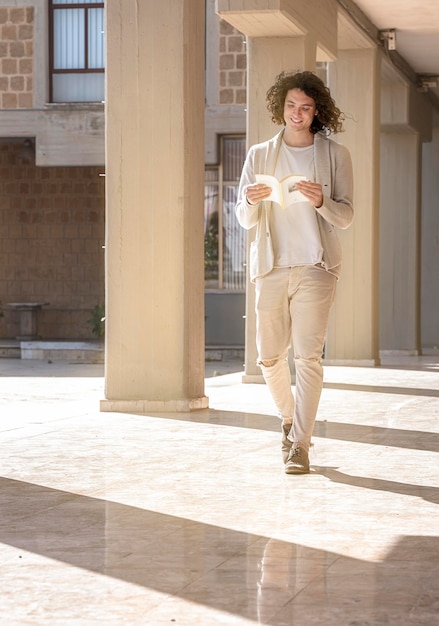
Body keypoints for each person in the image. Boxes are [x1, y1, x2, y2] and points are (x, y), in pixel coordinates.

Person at [235, 70, 354, 474]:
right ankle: (289, 419)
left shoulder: (335, 155)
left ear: (316, 111)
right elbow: (245, 220)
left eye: (305, 107)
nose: (297, 113)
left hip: (316, 267)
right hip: (270, 267)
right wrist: (251, 200)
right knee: (269, 357)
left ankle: (300, 445)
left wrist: (322, 201)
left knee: (307, 357)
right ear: (280, 108)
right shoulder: (258, 155)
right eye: (290, 106)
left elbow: (347, 216)